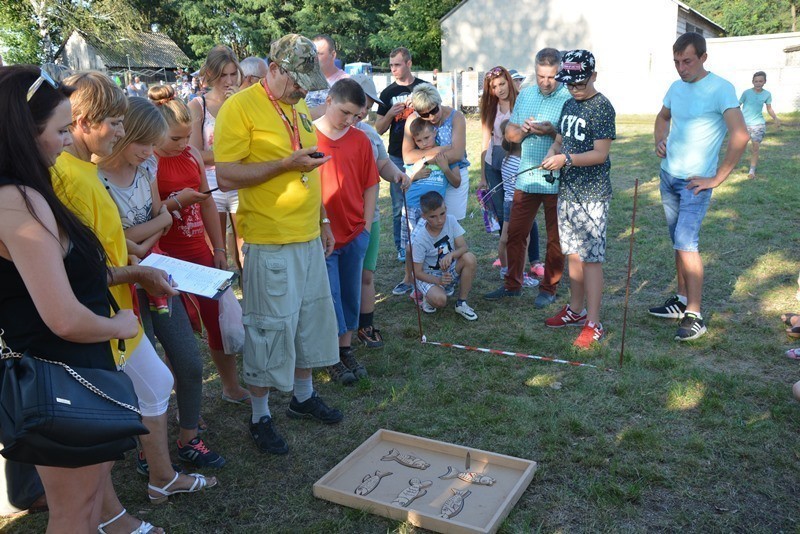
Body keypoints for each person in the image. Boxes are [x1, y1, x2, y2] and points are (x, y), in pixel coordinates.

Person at [54, 70, 215, 530]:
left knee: (157, 381)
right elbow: (79, 271)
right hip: (94, 315)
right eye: (116, 123)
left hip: (118, 305)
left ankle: (161, 477)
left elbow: (111, 245)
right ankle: (110, 516)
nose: (124, 134)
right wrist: (138, 270)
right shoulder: (66, 177)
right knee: (100, 418)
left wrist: (137, 257)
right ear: (83, 121)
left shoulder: (84, 171)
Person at [0, 64, 141, 534]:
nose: (67, 140)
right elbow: (63, 317)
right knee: (74, 516)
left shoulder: (23, 192)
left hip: (71, 372)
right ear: (23, 132)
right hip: (61, 376)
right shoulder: (18, 200)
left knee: (85, 507)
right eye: (60, 129)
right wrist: (120, 325)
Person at [214, 34, 344, 455]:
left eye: (308, 81)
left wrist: (322, 218)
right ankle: (260, 415)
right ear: (274, 68)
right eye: (297, 80)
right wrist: (284, 165)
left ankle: (303, 397)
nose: (303, 89)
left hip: (307, 236)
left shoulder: (298, 105)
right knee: (269, 331)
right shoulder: (240, 108)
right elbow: (228, 175)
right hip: (270, 239)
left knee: (308, 320)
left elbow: (310, 167)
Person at [96, 96, 226, 468]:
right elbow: (122, 241)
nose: (151, 152)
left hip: (156, 278)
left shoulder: (147, 167)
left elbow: (156, 224)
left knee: (188, 362)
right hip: (123, 289)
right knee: (143, 374)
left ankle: (189, 437)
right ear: (126, 136)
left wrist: (143, 236)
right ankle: (146, 450)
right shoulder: (96, 179)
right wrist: (148, 231)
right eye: (146, 143)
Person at [151, 84, 251, 406]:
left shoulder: (192, 155)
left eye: (187, 136)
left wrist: (219, 249)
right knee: (176, 337)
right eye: (175, 139)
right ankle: (183, 404)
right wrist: (176, 203)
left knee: (217, 323)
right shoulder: (149, 161)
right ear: (156, 133)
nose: (183, 145)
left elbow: (207, 203)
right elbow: (150, 212)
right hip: (165, 256)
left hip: (199, 251)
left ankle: (231, 387)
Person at [650, 32, 749, 341]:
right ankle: (680, 301)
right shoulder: (675, 88)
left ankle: (695, 314)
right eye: (677, 62)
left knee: (686, 242)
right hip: (669, 177)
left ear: (703, 58)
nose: (681, 68)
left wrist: (717, 178)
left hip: (696, 183)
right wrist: (659, 139)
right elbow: (662, 117)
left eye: (688, 61)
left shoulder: (721, 89)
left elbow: (740, 135)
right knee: (677, 243)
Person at [484, 48, 571, 308]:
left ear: (560, 72)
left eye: (552, 76)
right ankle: (512, 284)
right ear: (535, 71)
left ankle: (549, 288)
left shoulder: (568, 96)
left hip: (557, 178)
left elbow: (571, 137)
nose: (545, 82)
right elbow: (508, 132)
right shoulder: (527, 94)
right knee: (516, 232)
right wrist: (520, 131)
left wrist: (550, 130)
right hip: (527, 175)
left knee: (555, 237)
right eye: (541, 75)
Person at [540, 50, 616, 349]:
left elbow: (600, 153)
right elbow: (560, 139)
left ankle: (594, 321)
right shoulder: (569, 103)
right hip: (567, 193)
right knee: (572, 254)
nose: (574, 88)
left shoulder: (602, 107)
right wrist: (551, 154)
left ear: (594, 76)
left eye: (579, 83)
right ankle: (575, 309)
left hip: (592, 195)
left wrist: (566, 159)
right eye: (569, 84)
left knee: (591, 259)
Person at [314, 79, 379, 384]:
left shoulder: (361, 140)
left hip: (355, 231)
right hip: (321, 234)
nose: (349, 120)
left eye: (355, 115)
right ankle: (331, 354)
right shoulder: (309, 136)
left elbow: (371, 183)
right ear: (328, 101)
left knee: (350, 291)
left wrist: (365, 226)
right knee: (330, 294)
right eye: (344, 112)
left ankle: (345, 348)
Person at [350, 73, 411, 349]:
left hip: (369, 217)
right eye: (360, 103)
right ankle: (340, 330)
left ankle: (365, 325)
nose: (364, 110)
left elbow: (384, 164)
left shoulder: (370, 133)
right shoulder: (323, 132)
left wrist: (397, 174)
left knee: (366, 274)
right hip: (338, 218)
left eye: (368, 105)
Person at [189, 45, 245, 274]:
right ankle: (220, 307)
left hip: (241, 182)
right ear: (211, 75)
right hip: (211, 184)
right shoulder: (198, 105)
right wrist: (230, 156)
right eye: (223, 75)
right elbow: (194, 153)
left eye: (233, 74)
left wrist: (235, 107)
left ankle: (250, 303)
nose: (229, 80)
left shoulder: (243, 102)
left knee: (247, 251)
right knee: (216, 252)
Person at [391, 119, 461, 297]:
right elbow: (404, 184)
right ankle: (409, 278)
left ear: (435, 132)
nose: (424, 143)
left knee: (438, 244)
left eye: (427, 137)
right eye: (419, 140)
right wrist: (415, 175)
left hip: (434, 211)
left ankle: (440, 278)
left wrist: (445, 168)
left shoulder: (447, 157)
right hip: (413, 207)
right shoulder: (415, 159)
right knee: (410, 247)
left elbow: (456, 182)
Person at [375, 47, 426, 262]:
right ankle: (401, 247)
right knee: (399, 205)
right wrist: (390, 114)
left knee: (424, 201)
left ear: (409, 63)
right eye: (391, 65)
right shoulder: (387, 93)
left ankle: (424, 244)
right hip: (396, 156)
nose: (393, 69)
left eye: (397, 64)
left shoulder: (424, 87)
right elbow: (378, 128)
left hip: (422, 153)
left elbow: (436, 116)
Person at [403, 83, 470, 221]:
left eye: (434, 110)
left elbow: (457, 154)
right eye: (424, 114)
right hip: (426, 176)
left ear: (439, 101)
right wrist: (438, 151)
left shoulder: (456, 117)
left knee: (451, 221)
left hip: (453, 172)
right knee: (426, 223)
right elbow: (407, 156)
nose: (431, 117)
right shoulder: (413, 120)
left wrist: (424, 160)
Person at [410, 191, 478, 321]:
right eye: (433, 217)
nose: (440, 220)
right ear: (424, 216)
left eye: (442, 214)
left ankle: (461, 303)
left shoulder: (451, 220)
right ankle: (427, 297)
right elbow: (417, 272)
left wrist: (452, 255)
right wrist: (438, 281)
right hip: (428, 276)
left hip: (447, 271)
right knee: (440, 301)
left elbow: (464, 247)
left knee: (469, 258)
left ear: (446, 209)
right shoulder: (420, 239)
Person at [498, 120, 540, 288]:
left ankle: (505, 269)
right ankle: (520, 274)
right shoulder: (521, 164)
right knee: (522, 241)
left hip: (508, 203)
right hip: (520, 205)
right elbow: (525, 187)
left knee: (504, 239)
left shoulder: (506, 159)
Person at [478, 66, 518, 234]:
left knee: (518, 209)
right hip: (493, 162)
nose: (499, 89)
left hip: (515, 160)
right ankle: (505, 251)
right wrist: (482, 176)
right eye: (494, 87)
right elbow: (485, 141)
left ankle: (533, 257)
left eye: (502, 84)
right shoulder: (490, 107)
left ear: (509, 81)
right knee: (500, 210)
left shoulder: (520, 103)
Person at [739, 71, 780, 179]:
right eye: (756, 81)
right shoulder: (746, 93)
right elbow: (738, 105)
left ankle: (752, 171)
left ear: (764, 82)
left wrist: (775, 118)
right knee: (739, 146)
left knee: (755, 147)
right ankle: (731, 165)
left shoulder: (767, 94)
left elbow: (769, 108)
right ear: (752, 82)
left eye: (760, 81)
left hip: (758, 124)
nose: (758, 83)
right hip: (744, 124)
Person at [305, 34, 350, 118]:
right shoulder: (305, 78)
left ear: (333, 55)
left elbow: (330, 109)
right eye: (312, 53)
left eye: (319, 54)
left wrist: (301, 114)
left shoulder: (345, 82)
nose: (314, 58)